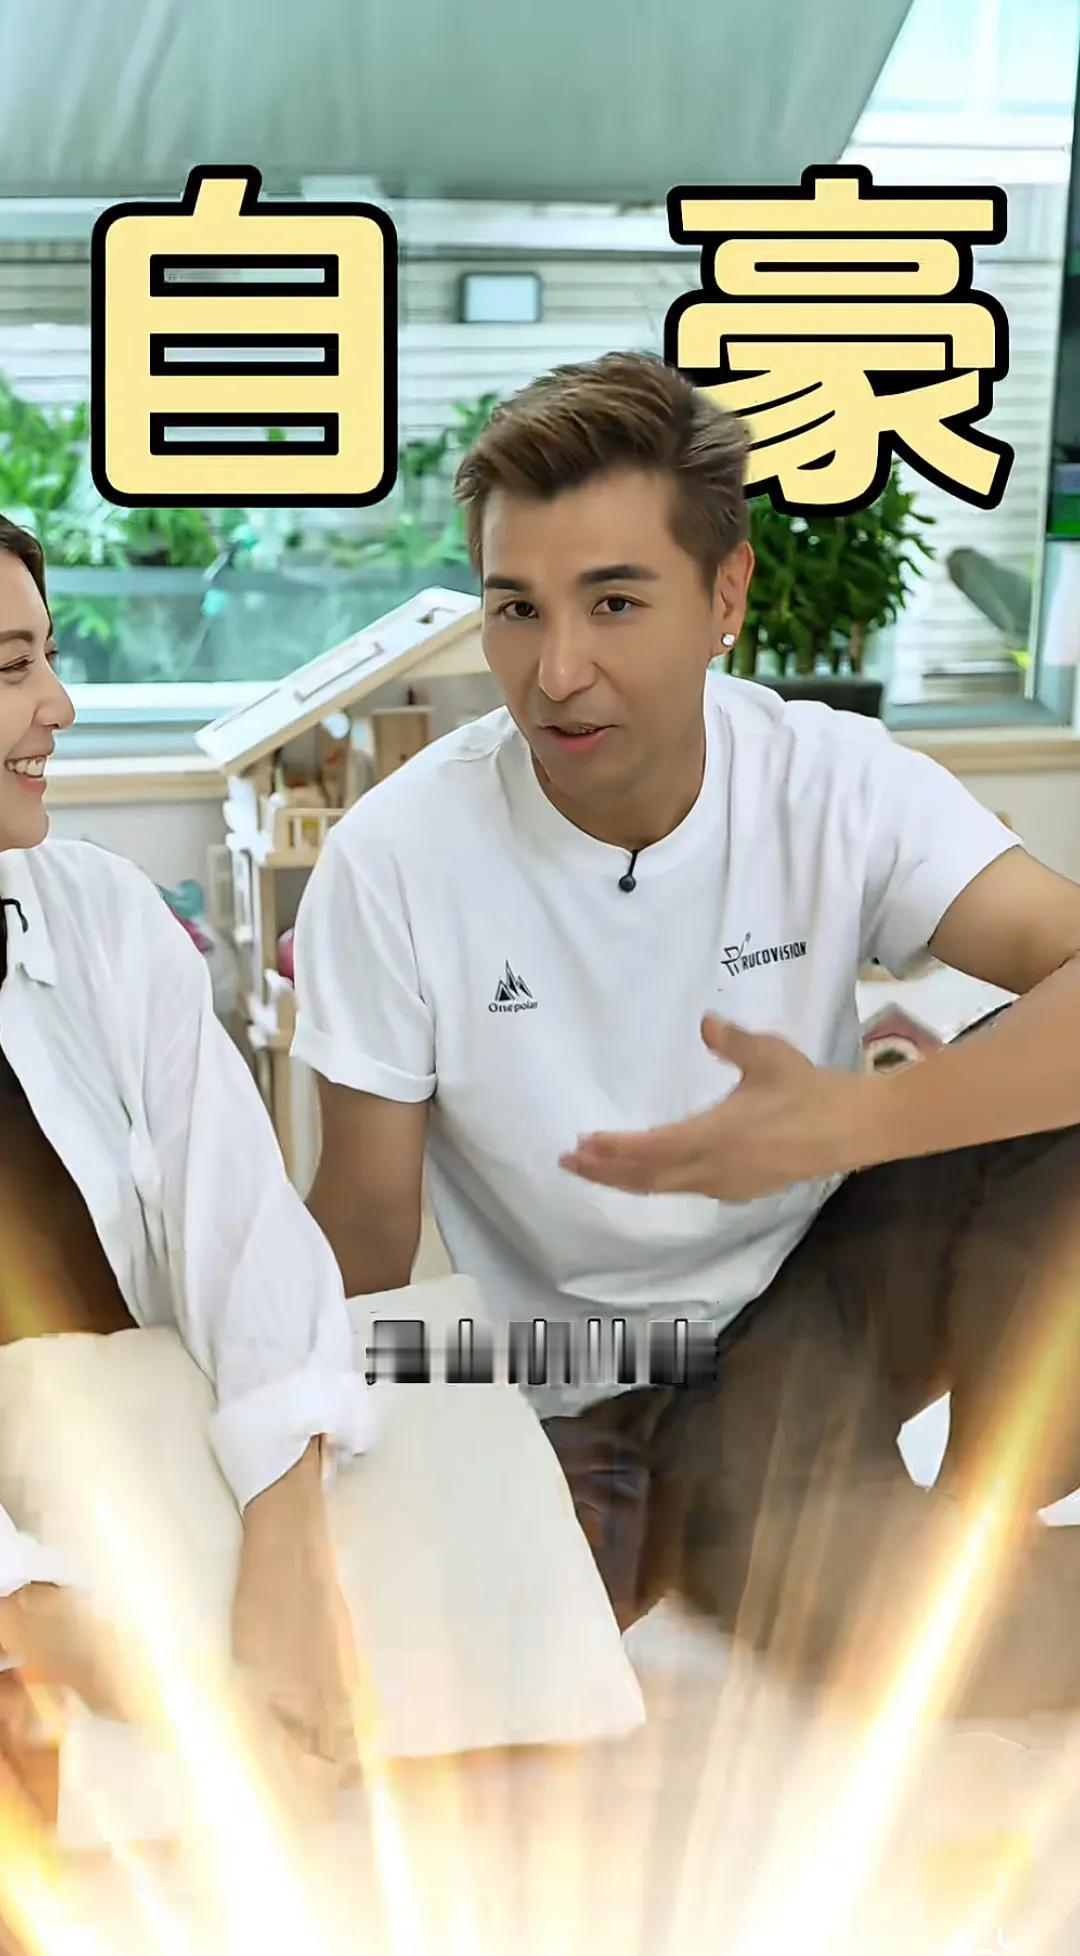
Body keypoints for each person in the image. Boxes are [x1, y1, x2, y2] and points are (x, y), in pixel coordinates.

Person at [293, 351, 1080, 1715]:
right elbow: (362, 1233)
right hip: (589, 1363)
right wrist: (302, 1474)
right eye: (515, 609)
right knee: (867, 1623)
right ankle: (748, 1522)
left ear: (726, 596)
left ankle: (973, 1512)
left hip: (833, 1268)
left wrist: (863, 1118)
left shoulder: (828, 778)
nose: (557, 672)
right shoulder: (394, 860)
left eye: (614, 603)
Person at [0, 514, 369, 1776]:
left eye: (48, 657)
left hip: (144, 1491)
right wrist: (68, 1633)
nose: (58, 706)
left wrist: (287, 1543)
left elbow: (243, 1223)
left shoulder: (102, 914)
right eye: (10, 669)